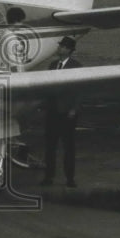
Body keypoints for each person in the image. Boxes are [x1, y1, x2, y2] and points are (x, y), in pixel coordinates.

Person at [41, 36, 82, 188]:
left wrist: (73, 109)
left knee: (68, 147)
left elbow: (79, 90)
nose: (60, 48)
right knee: (50, 147)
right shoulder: (53, 65)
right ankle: (48, 177)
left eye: (63, 46)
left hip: (67, 113)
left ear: (69, 50)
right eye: (60, 46)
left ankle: (70, 178)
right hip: (53, 112)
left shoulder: (76, 67)